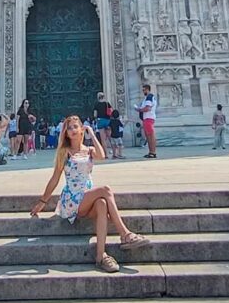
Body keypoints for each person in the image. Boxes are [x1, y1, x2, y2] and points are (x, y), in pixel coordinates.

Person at [30, 114, 149, 273]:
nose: (72, 130)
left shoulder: (90, 150)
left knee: (102, 203)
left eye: (75, 126)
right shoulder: (64, 152)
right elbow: (55, 179)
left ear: (81, 129)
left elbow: (102, 156)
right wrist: (42, 202)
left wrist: (92, 134)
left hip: (87, 198)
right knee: (105, 190)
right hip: (72, 200)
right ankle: (125, 234)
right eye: (69, 128)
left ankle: (101, 256)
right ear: (65, 133)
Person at [134, 84, 158, 159]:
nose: (143, 91)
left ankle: (153, 152)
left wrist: (139, 109)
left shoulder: (149, 97)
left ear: (147, 89)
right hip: (146, 118)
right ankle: (151, 152)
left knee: (151, 135)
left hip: (148, 118)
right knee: (148, 136)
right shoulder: (146, 98)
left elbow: (148, 108)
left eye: (144, 90)